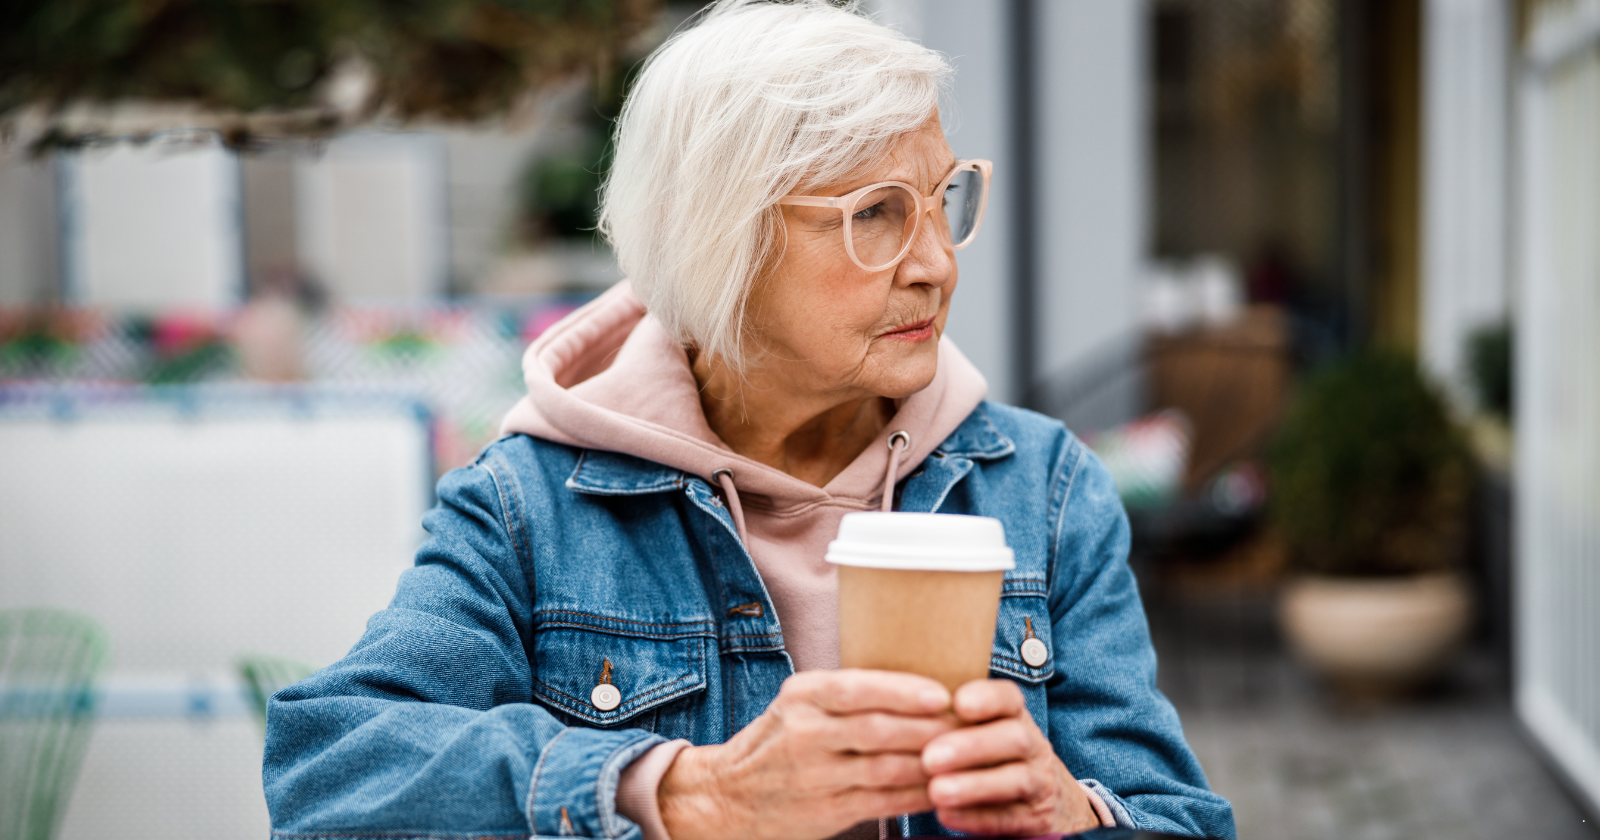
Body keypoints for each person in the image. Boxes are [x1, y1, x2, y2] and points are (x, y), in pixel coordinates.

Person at [262, 2, 1236, 838]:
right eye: (878, 215)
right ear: (721, 241)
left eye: (943, 200)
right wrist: (682, 795)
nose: (936, 261)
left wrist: (1073, 812)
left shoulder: (1043, 488)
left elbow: (1180, 816)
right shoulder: (532, 504)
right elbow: (329, 771)